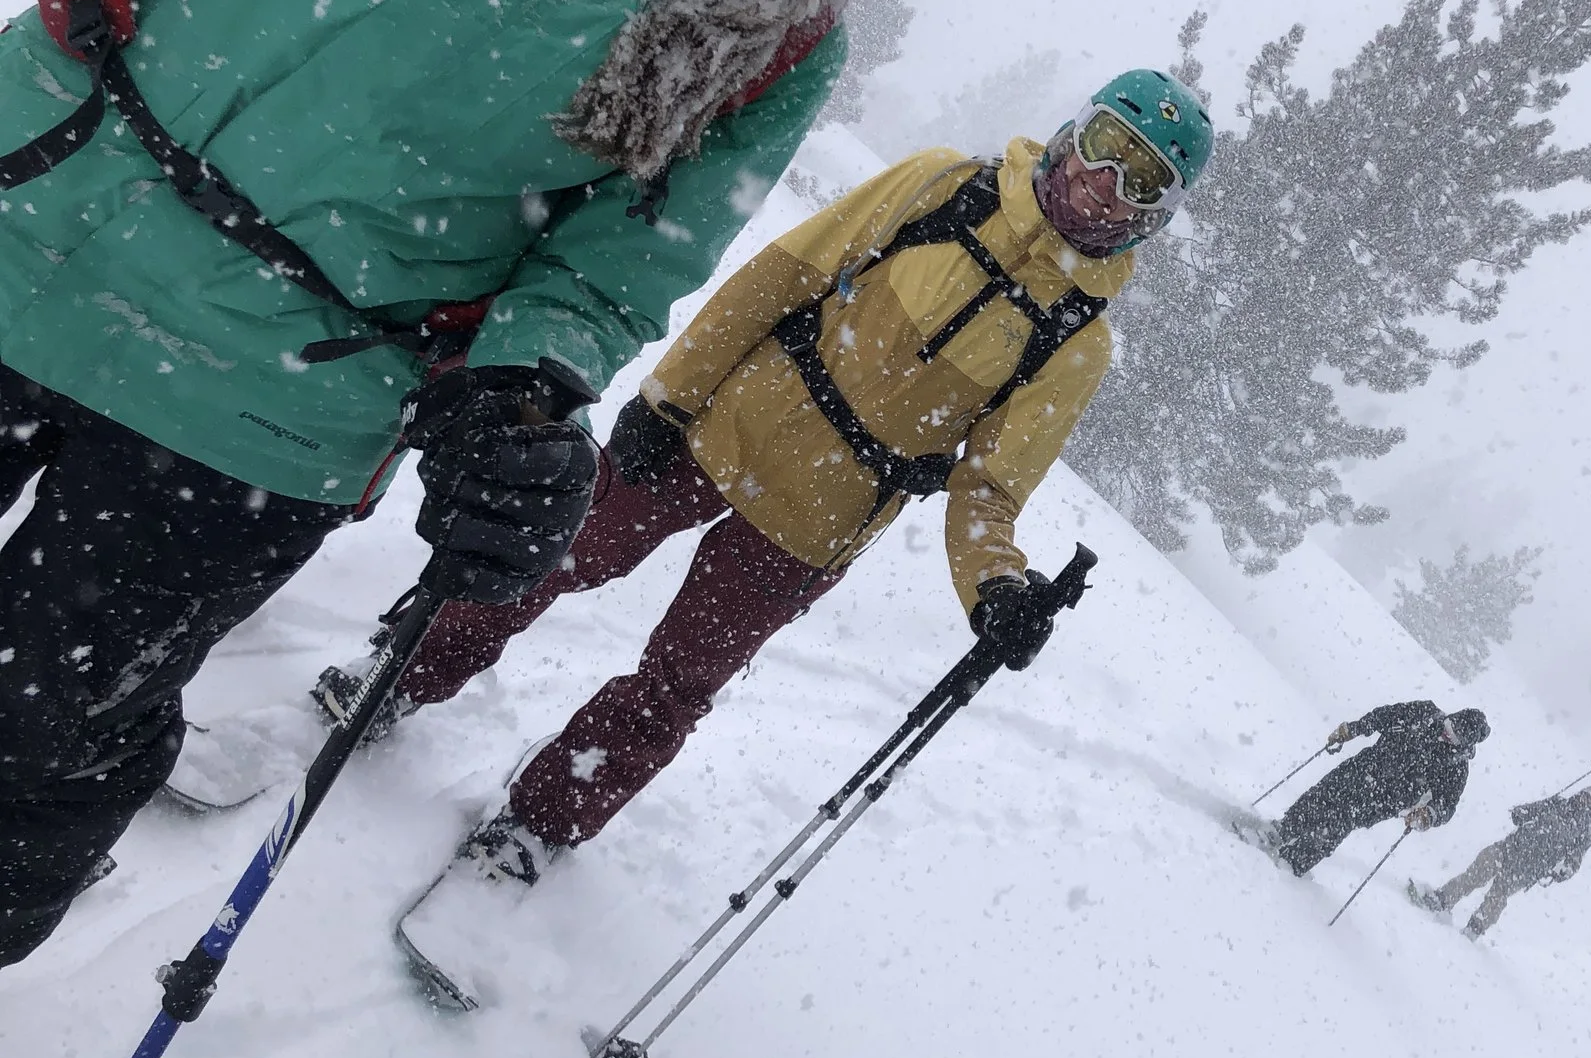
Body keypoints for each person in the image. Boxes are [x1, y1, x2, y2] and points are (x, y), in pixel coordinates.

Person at [0, 0, 1090, 967]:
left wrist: (523, 392)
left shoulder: (773, 27)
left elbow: (605, 262)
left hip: (262, 407)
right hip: (33, 198)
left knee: (37, 732)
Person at [386, 70, 1215, 986]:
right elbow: (784, 275)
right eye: (1107, 147)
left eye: (1142, 180)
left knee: (675, 682)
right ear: (1073, 131)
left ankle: (537, 827)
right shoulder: (948, 186)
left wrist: (998, 587)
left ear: (1156, 216)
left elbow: (989, 488)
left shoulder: (1078, 339)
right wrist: (670, 396)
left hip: (820, 519)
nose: (1106, 183)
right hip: (723, 422)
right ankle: (401, 673)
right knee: (550, 557)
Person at [1266, 702, 1489, 877]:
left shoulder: (1456, 767)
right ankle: (1283, 830)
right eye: (1450, 727)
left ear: (1465, 744)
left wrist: (1429, 815)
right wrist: (1353, 729)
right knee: (1323, 794)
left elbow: (1447, 804)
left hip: (1387, 799)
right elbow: (1385, 715)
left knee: (1340, 820)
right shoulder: (1425, 713)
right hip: (1366, 765)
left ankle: (1292, 862)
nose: (1447, 735)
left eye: (1456, 737)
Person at [1416, 785, 1591, 939]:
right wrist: (1522, 812)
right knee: (1476, 873)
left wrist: (1563, 870)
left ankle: (1475, 928)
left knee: (1498, 894)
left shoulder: (1584, 833)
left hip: (1528, 868)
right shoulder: (1558, 803)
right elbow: (1534, 809)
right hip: (1510, 847)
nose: (1584, 800)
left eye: (1590, 800)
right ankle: (1441, 899)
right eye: (1585, 795)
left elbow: (1573, 862)